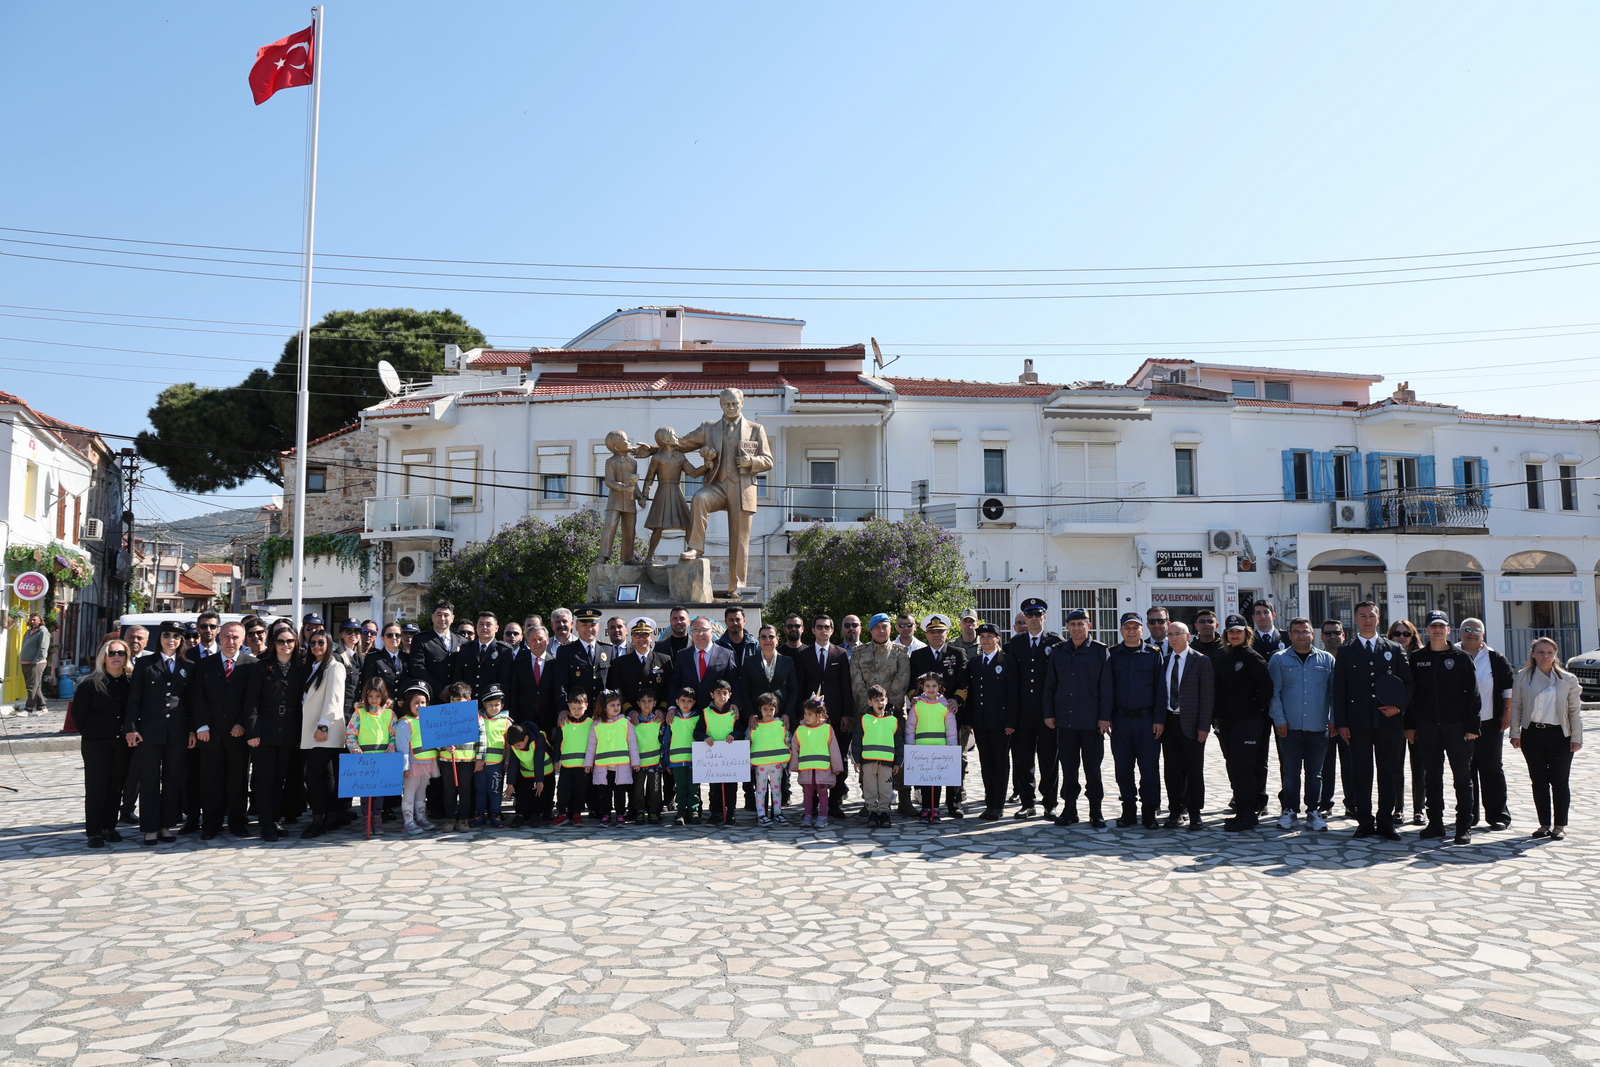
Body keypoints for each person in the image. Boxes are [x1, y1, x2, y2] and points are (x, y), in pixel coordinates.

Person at [672, 386, 775, 594]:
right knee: (700, 498)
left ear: (742, 403)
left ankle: (737, 586)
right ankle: (696, 547)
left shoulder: (755, 429)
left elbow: (768, 460)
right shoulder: (708, 428)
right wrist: (656, 446)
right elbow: (681, 443)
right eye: (726, 404)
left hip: (742, 489)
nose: (731, 407)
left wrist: (751, 462)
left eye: (734, 403)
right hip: (717, 486)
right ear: (720, 404)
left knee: (740, 539)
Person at [1333, 601, 1414, 841]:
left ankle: (1386, 822)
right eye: (1362, 616)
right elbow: (1339, 689)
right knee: (1361, 773)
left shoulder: (1393, 649)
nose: (1367, 620)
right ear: (1355, 619)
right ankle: (1365, 822)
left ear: (1378, 619)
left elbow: (1409, 683)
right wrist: (1342, 722)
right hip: (1357, 723)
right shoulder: (1346, 651)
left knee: (1388, 772)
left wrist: (1398, 708)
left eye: (1371, 615)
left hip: (1388, 722)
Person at [1407, 612, 1481, 844]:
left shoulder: (1461, 657)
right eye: (1433, 626)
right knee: (1432, 777)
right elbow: (1410, 695)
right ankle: (1435, 824)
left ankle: (1463, 826)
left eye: (1441, 626)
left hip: (1457, 727)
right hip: (1427, 726)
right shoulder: (1417, 658)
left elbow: (1473, 694)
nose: (1437, 630)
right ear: (1426, 630)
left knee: (1462, 778)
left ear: (1448, 630)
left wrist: (1472, 726)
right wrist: (1410, 725)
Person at [123, 620, 194, 846]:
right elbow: (134, 699)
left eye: (176, 636)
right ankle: (150, 828)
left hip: (178, 732)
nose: (171, 639)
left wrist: (193, 729)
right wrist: (131, 728)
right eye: (166, 635)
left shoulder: (188, 666)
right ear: (159, 638)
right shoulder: (145, 664)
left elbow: (192, 702)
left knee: (172, 780)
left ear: (181, 640)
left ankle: (165, 825)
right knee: (149, 780)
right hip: (149, 732)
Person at [188, 621, 260, 840]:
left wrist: (243, 723)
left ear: (243, 640)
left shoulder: (252, 665)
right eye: (227, 636)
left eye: (236, 637)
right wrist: (201, 725)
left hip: (238, 735)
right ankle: (211, 823)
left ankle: (237, 822)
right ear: (219, 637)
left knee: (237, 781)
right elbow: (197, 697)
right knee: (210, 781)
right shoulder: (204, 665)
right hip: (209, 734)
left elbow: (254, 699)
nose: (231, 641)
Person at [1043, 607, 1111, 829]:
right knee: (1068, 769)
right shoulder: (1059, 652)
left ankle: (1096, 811)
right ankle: (1069, 810)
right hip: (1066, 721)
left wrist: (1105, 717)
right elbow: (1050, 685)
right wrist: (1049, 714)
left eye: (1081, 624)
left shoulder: (1100, 651)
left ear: (1088, 626)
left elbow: (1107, 688)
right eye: (1072, 624)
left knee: (1093, 769)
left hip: (1092, 723)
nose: (1076, 628)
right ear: (1067, 627)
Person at [1510, 637, 1583, 840]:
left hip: (1560, 735)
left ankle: (1559, 825)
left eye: (1550, 652)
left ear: (1555, 655)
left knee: (1560, 781)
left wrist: (1576, 737)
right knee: (1539, 781)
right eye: (1541, 652)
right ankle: (1544, 824)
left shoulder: (1567, 679)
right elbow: (1516, 705)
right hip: (1532, 734)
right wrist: (1515, 733)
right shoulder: (1523, 676)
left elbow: (1574, 711)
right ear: (1533, 654)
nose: (1545, 656)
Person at [1268, 617, 1334, 832]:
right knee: (1290, 772)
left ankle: (1313, 811)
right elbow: (1274, 693)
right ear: (1289, 635)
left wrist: (1333, 719)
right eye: (1296, 632)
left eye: (1305, 631)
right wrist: (1279, 719)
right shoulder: (1278, 660)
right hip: (1290, 727)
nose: (1301, 635)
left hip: (1318, 727)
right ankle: (1290, 810)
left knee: (1315, 773)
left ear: (1312, 634)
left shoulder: (1327, 660)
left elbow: (1334, 693)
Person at [1107, 612, 1166, 829]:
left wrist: (1159, 719)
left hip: (1147, 720)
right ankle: (1128, 811)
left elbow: (1161, 689)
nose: (1131, 631)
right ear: (1121, 630)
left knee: (1149, 769)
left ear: (1142, 630)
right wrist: (1106, 717)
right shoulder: (1112, 654)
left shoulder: (1153, 654)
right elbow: (1107, 688)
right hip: (1121, 720)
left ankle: (1149, 812)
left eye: (1135, 628)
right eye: (1127, 628)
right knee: (1123, 768)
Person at [1214, 614, 1273, 832]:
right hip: (1227, 722)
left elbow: (1266, 690)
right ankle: (1243, 809)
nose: (1234, 635)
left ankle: (1247, 814)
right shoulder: (1225, 657)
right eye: (1231, 632)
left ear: (1246, 633)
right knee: (1234, 766)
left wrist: (1253, 712)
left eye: (1238, 631)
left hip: (1248, 722)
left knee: (1243, 767)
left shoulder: (1253, 658)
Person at [1004, 598, 1060, 820]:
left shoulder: (1055, 641)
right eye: (1030, 615)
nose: (1034, 619)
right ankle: (1028, 803)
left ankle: (1050, 803)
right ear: (1024, 619)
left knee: (1049, 760)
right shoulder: (1016, 643)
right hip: (1023, 713)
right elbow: (1011, 679)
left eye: (1038, 615)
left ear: (1044, 617)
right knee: (1024, 761)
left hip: (1047, 713)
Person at [908, 615, 969, 819]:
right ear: (926, 635)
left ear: (946, 633)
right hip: (926, 719)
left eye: (940, 632)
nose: (936, 635)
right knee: (927, 761)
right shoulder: (918, 655)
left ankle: (954, 803)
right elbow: (910, 683)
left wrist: (957, 700)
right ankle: (928, 805)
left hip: (950, 714)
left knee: (953, 759)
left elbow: (964, 681)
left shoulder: (957, 653)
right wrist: (914, 697)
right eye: (932, 632)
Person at [851, 614, 912, 816]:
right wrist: (869, 710)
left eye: (885, 626)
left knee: (898, 755)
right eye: (877, 627)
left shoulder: (900, 653)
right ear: (870, 630)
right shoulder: (858, 654)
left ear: (890, 629)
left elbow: (901, 683)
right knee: (868, 757)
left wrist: (887, 710)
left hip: (894, 716)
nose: (881, 630)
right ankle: (869, 802)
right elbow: (857, 684)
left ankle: (904, 798)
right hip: (866, 716)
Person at [78, 637, 135, 848]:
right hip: (96, 743)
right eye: (112, 653)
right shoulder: (89, 684)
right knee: (96, 787)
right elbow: (79, 716)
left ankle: (109, 827)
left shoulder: (131, 683)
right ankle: (94, 832)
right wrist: (93, 734)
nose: (116, 657)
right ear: (104, 656)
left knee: (116, 786)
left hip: (122, 744)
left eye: (121, 653)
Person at [1458, 618, 1514, 830]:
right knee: (1465, 770)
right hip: (1459, 724)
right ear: (1459, 632)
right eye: (1467, 629)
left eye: (1477, 630)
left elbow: (1508, 687)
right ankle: (1468, 815)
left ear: (1483, 634)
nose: (1471, 633)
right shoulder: (1451, 653)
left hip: (1489, 722)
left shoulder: (1494, 657)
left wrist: (1506, 714)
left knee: (1492, 768)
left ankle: (1498, 815)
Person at [1160, 622, 1214, 831]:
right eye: (1170, 634)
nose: (1173, 638)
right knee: (1171, 770)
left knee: (1194, 769)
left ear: (1188, 636)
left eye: (1177, 634)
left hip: (1192, 723)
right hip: (1169, 723)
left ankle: (1195, 813)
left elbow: (1207, 697)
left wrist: (1204, 726)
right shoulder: (1164, 661)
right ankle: (1175, 811)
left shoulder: (1200, 661)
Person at [249, 628, 302, 842]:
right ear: (273, 643)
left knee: (280, 779)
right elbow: (251, 701)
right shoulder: (261, 667)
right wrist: (253, 731)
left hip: (289, 732)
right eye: (280, 641)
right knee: (264, 779)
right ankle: (266, 824)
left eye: (290, 641)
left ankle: (274, 819)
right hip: (265, 731)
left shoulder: (300, 668)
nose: (285, 645)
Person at [296, 629, 348, 839]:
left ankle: (318, 820)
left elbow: (334, 699)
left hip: (325, 730)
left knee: (313, 775)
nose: (316, 646)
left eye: (321, 642)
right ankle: (331, 816)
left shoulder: (335, 667)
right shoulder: (312, 667)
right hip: (313, 730)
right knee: (325, 775)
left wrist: (323, 726)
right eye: (312, 643)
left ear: (329, 645)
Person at [966, 622, 1017, 820]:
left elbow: (1013, 694)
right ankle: (989, 803)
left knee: (1000, 764)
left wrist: (1011, 721)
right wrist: (970, 719)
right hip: (981, 722)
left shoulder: (1007, 661)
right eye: (982, 636)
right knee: (986, 764)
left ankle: (998, 805)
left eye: (989, 636)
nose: (985, 640)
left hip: (1001, 723)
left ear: (998, 639)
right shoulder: (975, 662)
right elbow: (972, 694)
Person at [640, 425, 710, 560]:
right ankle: (649, 556)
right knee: (658, 526)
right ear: (665, 440)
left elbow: (693, 473)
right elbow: (649, 478)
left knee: (688, 523)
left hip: (677, 493)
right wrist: (644, 496)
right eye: (673, 435)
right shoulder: (657, 458)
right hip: (662, 492)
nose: (677, 437)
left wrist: (705, 467)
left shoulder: (680, 457)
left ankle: (692, 551)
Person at [345, 676, 396, 835]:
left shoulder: (389, 714)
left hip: (382, 758)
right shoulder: (359, 713)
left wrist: (391, 747)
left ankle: (377, 819)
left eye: (377, 696)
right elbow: (350, 734)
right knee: (365, 792)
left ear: (383, 696)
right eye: (370, 696)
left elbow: (393, 735)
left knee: (379, 791)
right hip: (364, 759)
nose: (374, 699)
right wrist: (354, 749)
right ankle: (366, 820)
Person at [1387, 618, 1426, 826]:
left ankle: (1419, 809)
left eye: (1406, 633)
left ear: (1413, 636)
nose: (1401, 637)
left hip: (1418, 721)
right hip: (1392, 719)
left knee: (1419, 767)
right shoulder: (1386, 655)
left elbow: (1419, 693)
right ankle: (1397, 808)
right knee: (1395, 767)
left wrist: (1410, 724)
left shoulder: (1421, 658)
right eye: (1397, 633)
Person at [908, 672, 957, 824]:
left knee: (937, 780)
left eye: (934, 686)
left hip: (940, 749)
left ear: (939, 687)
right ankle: (925, 808)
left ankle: (935, 809)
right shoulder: (917, 705)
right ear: (922, 687)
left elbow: (951, 728)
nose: (931, 689)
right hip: (921, 749)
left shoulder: (945, 705)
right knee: (924, 781)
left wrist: (951, 746)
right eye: (927, 686)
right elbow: (910, 726)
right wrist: (910, 744)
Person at [585, 691, 640, 827]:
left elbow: (632, 743)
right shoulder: (597, 725)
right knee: (605, 793)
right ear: (604, 707)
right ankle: (606, 815)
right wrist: (588, 763)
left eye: (618, 705)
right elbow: (591, 745)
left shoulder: (625, 723)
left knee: (620, 792)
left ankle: (620, 815)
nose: (616, 708)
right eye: (612, 705)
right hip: (603, 767)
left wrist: (635, 762)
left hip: (621, 767)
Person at [597, 429, 650, 564]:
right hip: (615, 502)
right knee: (609, 527)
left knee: (630, 530)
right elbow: (609, 481)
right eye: (625, 440)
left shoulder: (633, 463)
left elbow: (634, 484)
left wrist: (640, 497)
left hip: (629, 502)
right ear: (617, 447)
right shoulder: (611, 462)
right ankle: (603, 556)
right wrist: (623, 488)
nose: (629, 441)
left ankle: (628, 558)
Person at [852, 684, 901, 827]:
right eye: (876, 700)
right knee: (870, 788)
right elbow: (856, 741)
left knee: (886, 788)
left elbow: (899, 743)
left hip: (887, 763)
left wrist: (898, 762)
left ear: (886, 700)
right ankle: (872, 812)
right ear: (870, 702)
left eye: (882, 700)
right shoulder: (864, 720)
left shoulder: (893, 721)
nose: (880, 703)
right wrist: (856, 760)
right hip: (868, 762)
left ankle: (884, 812)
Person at [394, 679, 438, 834]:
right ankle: (408, 821)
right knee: (410, 791)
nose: (420, 706)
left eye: (423, 702)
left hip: (426, 762)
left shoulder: (428, 721)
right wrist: (404, 767)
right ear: (408, 704)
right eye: (416, 703)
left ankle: (421, 818)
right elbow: (402, 748)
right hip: (412, 764)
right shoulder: (405, 723)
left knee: (422, 790)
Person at [790, 698, 843, 828]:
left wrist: (836, 766)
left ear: (819, 715)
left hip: (823, 769)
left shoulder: (827, 729)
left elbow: (834, 749)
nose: (806, 717)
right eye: (805, 713)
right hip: (806, 769)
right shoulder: (800, 730)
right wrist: (795, 765)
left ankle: (823, 817)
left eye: (810, 714)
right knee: (807, 793)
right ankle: (808, 815)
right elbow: (795, 748)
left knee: (823, 793)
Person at [700, 678, 744, 825]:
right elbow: (697, 732)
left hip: (730, 758)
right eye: (718, 693)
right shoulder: (705, 712)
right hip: (713, 759)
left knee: (731, 787)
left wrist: (734, 735)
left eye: (725, 693)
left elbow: (740, 731)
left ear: (730, 695)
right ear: (712, 695)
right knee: (714, 788)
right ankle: (715, 812)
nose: (721, 696)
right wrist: (705, 737)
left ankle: (730, 812)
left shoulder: (733, 713)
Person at [670, 615, 738, 711]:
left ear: (711, 632)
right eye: (695, 631)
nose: (700, 634)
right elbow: (675, 683)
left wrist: (734, 703)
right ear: (691, 633)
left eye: (704, 630)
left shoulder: (726, 654)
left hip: (717, 711)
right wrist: (672, 706)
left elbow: (734, 682)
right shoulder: (682, 655)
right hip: (689, 711)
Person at [437, 680, 478, 831]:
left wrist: (480, 759)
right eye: (452, 699)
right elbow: (437, 736)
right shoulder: (443, 716)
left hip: (467, 759)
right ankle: (450, 819)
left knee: (464, 790)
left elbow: (482, 739)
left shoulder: (475, 716)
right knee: (449, 790)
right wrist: (444, 747)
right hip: (447, 759)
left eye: (458, 700)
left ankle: (463, 819)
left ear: (468, 700)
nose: (454, 703)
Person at [1317, 618, 1348, 818]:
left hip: (1348, 721)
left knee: (1350, 764)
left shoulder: (1351, 658)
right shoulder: (1316, 659)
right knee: (1325, 766)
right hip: (1324, 722)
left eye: (1336, 633)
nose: (1332, 637)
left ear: (1343, 636)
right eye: (1328, 633)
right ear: (1321, 637)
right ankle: (1324, 803)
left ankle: (1352, 803)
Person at [472, 684, 512, 829]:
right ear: (484, 704)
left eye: (497, 705)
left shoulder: (507, 721)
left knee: (495, 790)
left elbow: (509, 745)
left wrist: (507, 761)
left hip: (497, 764)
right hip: (479, 763)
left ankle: (495, 814)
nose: (494, 708)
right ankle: (480, 814)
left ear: (502, 705)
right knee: (480, 790)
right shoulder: (477, 718)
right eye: (490, 705)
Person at [554, 607, 613, 708]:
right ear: (577, 627)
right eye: (584, 625)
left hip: (602, 710)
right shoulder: (566, 651)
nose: (589, 629)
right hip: (577, 711)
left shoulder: (608, 649)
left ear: (598, 627)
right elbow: (560, 685)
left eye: (593, 625)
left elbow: (612, 682)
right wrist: (563, 709)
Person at [552, 689, 595, 828]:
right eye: (573, 708)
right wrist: (556, 760)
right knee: (563, 790)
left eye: (580, 708)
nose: (576, 711)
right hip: (566, 765)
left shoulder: (591, 723)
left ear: (586, 706)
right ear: (568, 706)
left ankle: (577, 814)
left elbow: (594, 743)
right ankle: (562, 814)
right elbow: (558, 742)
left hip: (583, 766)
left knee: (580, 791)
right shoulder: (564, 722)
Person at [614, 618, 673, 716]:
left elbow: (669, 688)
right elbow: (618, 690)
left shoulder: (664, 660)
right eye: (637, 635)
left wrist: (662, 709)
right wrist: (629, 710)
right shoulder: (620, 663)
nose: (641, 639)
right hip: (631, 716)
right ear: (632, 638)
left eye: (645, 635)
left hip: (657, 715)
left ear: (651, 637)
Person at [508, 624, 559, 736]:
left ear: (547, 640)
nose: (537, 642)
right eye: (533, 640)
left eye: (541, 639)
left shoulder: (555, 663)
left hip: (549, 721)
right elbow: (513, 694)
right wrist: (514, 721)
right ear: (527, 642)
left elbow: (558, 692)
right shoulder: (518, 664)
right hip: (524, 720)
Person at [748, 691, 789, 826]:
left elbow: (787, 740)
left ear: (776, 709)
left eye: (771, 709)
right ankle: (761, 814)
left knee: (776, 790)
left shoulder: (780, 725)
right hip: (760, 765)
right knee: (761, 790)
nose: (768, 712)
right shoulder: (754, 726)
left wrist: (785, 763)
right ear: (759, 709)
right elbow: (748, 741)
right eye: (765, 709)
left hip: (776, 764)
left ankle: (777, 813)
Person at [666, 687, 705, 825]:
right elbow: (667, 740)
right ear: (677, 701)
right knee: (680, 787)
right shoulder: (672, 719)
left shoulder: (698, 718)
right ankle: (681, 811)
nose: (686, 704)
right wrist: (667, 761)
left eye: (689, 701)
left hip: (694, 760)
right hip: (676, 760)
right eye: (683, 700)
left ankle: (693, 811)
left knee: (693, 787)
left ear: (694, 702)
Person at [504, 721, 552, 827]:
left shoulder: (538, 739)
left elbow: (538, 760)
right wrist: (510, 784)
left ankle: (537, 815)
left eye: (518, 745)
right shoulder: (514, 743)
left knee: (539, 792)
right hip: (526, 771)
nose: (516, 748)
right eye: (514, 746)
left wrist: (539, 781)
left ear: (526, 738)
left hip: (544, 770)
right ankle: (520, 815)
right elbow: (513, 763)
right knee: (523, 793)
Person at [630, 689, 667, 824]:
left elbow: (663, 740)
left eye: (650, 701)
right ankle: (639, 810)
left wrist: (663, 760)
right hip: (638, 763)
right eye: (643, 701)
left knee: (655, 788)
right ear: (638, 703)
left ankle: (653, 810)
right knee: (638, 788)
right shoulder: (633, 721)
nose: (646, 704)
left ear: (655, 703)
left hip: (655, 762)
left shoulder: (658, 720)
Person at [409, 601, 460, 694]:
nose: (442, 618)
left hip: (457, 696)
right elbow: (417, 668)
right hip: (432, 695)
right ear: (432, 617)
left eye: (446, 615)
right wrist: (439, 690)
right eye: (439, 615)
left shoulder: (462, 641)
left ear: (452, 618)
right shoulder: (421, 639)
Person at [456, 611, 513, 695]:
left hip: (492, 701)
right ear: (476, 627)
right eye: (481, 624)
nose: (484, 627)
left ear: (496, 628)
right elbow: (458, 678)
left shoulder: (504, 651)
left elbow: (505, 683)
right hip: (469, 700)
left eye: (488, 625)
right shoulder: (466, 649)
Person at [361, 622, 409, 698]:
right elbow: (368, 686)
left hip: (403, 703)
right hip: (382, 704)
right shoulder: (373, 658)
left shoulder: (407, 658)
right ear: (382, 638)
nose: (394, 638)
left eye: (397, 635)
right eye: (389, 635)